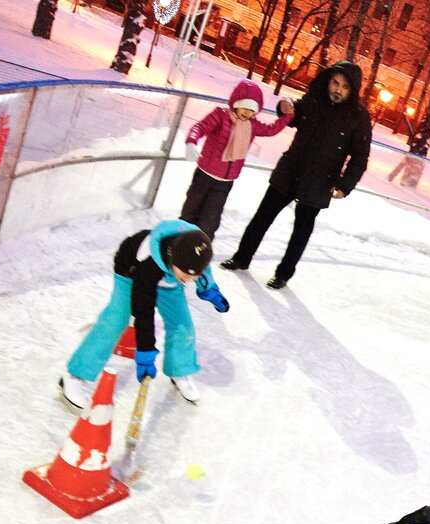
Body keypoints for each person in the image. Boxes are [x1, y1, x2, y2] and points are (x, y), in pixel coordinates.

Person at [221, 61, 372, 290]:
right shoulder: (315, 100)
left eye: (344, 86)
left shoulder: (358, 118)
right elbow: (293, 113)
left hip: (320, 181)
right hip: (291, 170)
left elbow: (360, 157)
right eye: (335, 82)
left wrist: (345, 185)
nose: (337, 90)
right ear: (329, 80)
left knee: (301, 231)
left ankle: (283, 275)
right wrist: (285, 105)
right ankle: (242, 258)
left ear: (353, 90)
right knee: (263, 216)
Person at [59, 219, 228, 408]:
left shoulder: (196, 249)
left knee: (182, 324)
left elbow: (201, 269)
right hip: (132, 271)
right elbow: (144, 312)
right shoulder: (149, 264)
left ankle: (179, 369)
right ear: (173, 258)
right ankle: (75, 375)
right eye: (187, 275)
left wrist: (209, 290)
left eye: (194, 275)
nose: (190, 280)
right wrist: (145, 352)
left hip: (170, 279)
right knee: (117, 318)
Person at [180, 81, 294, 242]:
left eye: (252, 110)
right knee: (189, 213)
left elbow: (271, 130)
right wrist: (191, 141)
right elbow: (200, 127)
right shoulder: (221, 115)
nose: (247, 113)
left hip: (225, 182)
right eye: (244, 107)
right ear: (235, 103)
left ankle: (199, 253)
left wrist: (288, 116)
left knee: (209, 222)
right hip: (204, 176)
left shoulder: (252, 125)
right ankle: (177, 245)